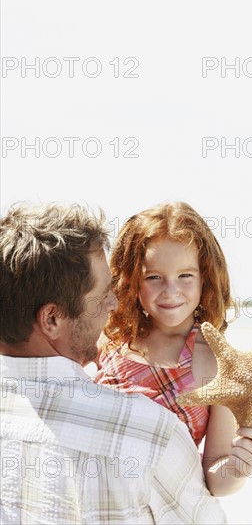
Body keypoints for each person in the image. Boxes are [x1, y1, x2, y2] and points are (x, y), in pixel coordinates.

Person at [0, 202, 226, 524]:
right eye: (104, 293)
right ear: (52, 318)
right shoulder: (152, 434)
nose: (114, 302)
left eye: (186, 275)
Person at [96, 202, 252, 497]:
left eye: (185, 275)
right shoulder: (111, 339)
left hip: (161, 505)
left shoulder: (216, 361)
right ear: (131, 279)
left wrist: (238, 469)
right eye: (153, 277)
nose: (171, 290)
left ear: (206, 278)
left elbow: (215, 475)